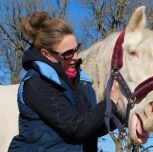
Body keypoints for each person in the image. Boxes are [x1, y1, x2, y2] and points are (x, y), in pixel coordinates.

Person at [8, 11, 119, 152]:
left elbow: (90, 128)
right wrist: (110, 101)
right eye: (68, 53)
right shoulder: (37, 83)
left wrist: (124, 115)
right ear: (46, 54)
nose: (76, 57)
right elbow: (76, 128)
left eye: (76, 49)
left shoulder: (79, 83)